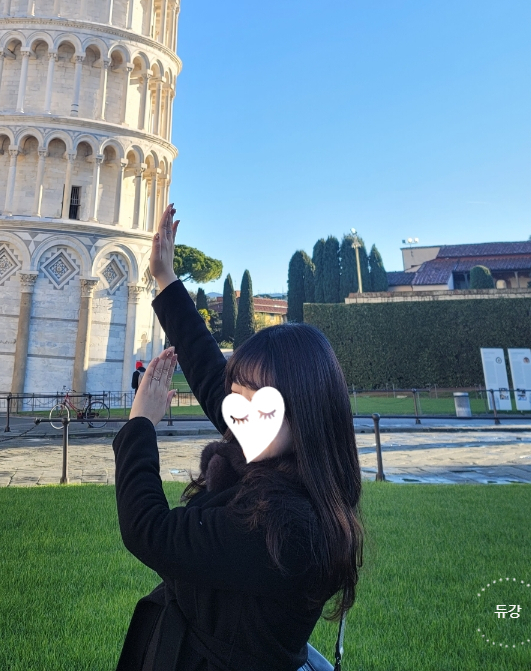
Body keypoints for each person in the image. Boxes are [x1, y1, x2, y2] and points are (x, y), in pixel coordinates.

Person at [112, 204, 363, 671]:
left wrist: (140, 425)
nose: (241, 414)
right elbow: (213, 375)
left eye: (261, 404)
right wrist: (165, 279)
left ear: (305, 413)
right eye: (239, 397)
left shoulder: (286, 529)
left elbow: (150, 531)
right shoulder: (287, 468)